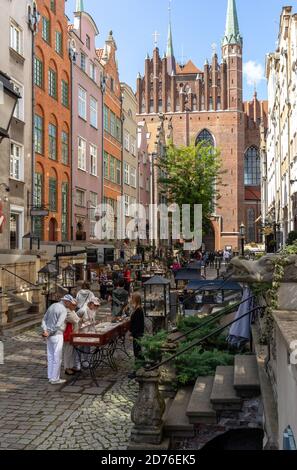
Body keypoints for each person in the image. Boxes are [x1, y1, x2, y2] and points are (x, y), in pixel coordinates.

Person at [41, 294, 77, 385]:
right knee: (57, 357)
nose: (70, 305)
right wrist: (49, 332)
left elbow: (43, 320)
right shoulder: (63, 310)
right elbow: (58, 325)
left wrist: (46, 331)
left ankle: (50, 376)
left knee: (50, 356)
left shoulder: (52, 306)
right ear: (66, 301)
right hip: (57, 335)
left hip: (49, 336)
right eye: (70, 303)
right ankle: (55, 378)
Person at [128, 293, 145, 379]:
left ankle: (137, 371)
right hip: (137, 334)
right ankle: (143, 366)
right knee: (138, 352)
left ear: (135, 299)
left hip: (137, 334)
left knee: (137, 352)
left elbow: (137, 325)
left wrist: (132, 334)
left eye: (132, 298)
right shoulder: (137, 309)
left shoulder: (138, 311)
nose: (130, 299)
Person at [63, 303, 81, 376]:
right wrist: (78, 319)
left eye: (76, 305)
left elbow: (77, 319)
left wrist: (78, 319)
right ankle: (67, 368)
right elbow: (74, 320)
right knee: (68, 351)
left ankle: (72, 366)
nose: (75, 306)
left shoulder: (73, 311)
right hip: (68, 334)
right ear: (69, 305)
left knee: (73, 351)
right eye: (73, 305)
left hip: (74, 334)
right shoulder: (67, 311)